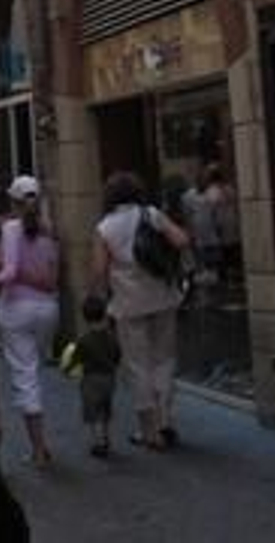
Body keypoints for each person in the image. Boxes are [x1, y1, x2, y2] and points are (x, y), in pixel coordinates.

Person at [91, 170, 190, 451]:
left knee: (138, 366)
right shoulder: (152, 214)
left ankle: (149, 430)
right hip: (162, 296)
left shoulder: (104, 228)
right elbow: (181, 240)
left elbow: (98, 271)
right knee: (164, 359)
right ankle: (165, 420)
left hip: (128, 303)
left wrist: (99, 297)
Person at [0, 174, 60, 467]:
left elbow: (9, 270)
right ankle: (40, 443)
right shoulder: (50, 231)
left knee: (25, 376)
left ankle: (39, 448)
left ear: (14, 202)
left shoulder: (10, 229)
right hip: (48, 309)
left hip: (17, 309)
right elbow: (53, 277)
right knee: (36, 368)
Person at [62, 292, 122, 458]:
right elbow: (118, 355)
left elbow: (75, 359)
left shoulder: (84, 340)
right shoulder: (112, 338)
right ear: (104, 314)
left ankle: (99, 443)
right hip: (109, 379)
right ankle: (106, 437)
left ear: (85, 318)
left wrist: (67, 370)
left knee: (92, 412)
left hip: (91, 380)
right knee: (105, 409)